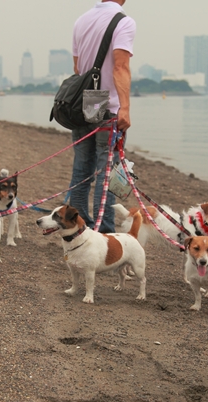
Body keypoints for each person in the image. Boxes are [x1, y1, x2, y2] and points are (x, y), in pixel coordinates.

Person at [68, 0, 136, 233]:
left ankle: (75, 227)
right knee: (106, 172)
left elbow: (78, 68)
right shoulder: (123, 22)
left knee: (82, 169)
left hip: (87, 101)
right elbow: (120, 66)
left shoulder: (81, 20)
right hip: (109, 105)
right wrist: (124, 108)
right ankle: (104, 231)